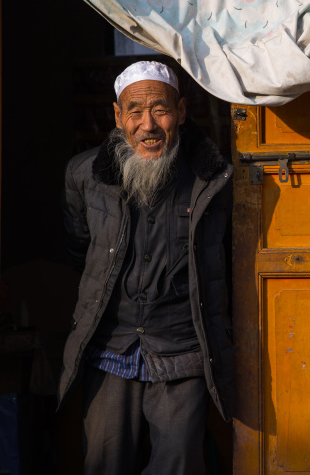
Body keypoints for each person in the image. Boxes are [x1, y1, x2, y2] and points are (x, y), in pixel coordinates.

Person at [59, 61, 234, 475]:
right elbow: (79, 247)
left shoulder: (213, 180)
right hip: (110, 346)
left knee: (178, 463)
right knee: (104, 462)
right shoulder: (83, 175)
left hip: (182, 347)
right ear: (118, 117)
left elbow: (226, 259)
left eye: (161, 109)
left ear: (182, 111)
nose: (148, 125)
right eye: (135, 111)